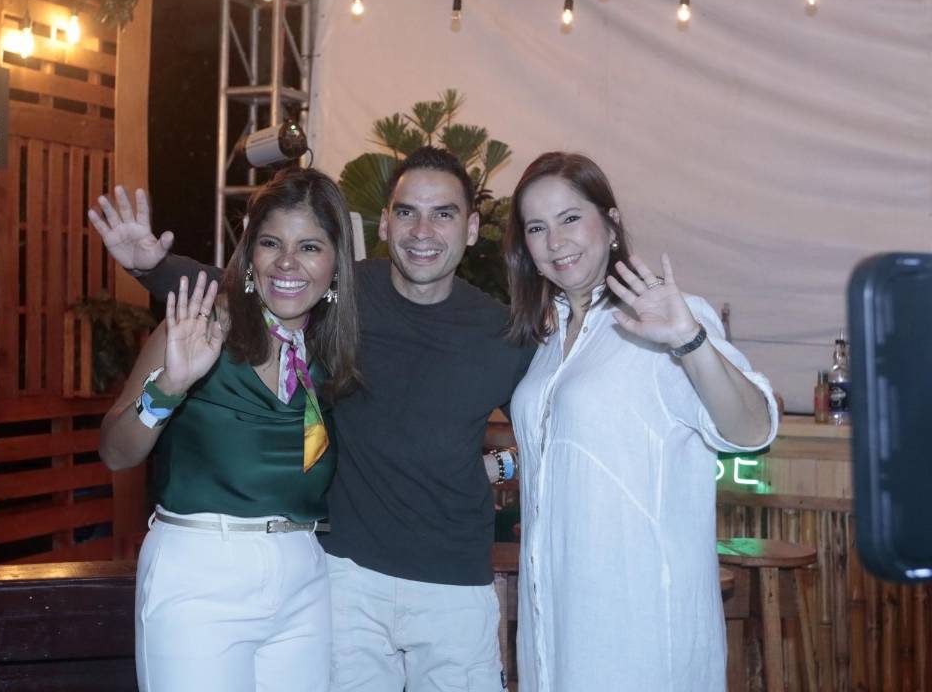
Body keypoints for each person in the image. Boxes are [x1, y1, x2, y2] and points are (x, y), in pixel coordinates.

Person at [91, 147, 535, 691]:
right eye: (405, 212)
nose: (423, 230)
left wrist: (498, 468)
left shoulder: (499, 331)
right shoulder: (329, 303)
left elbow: (556, 432)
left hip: (419, 584)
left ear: (470, 228)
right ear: (383, 224)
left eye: (443, 213)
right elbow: (246, 281)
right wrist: (149, 267)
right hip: (335, 578)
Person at [502, 151, 778, 691]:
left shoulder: (665, 319)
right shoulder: (546, 342)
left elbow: (752, 429)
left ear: (611, 223)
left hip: (641, 635)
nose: (555, 241)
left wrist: (689, 341)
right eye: (537, 227)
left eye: (570, 218)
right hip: (550, 630)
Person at [93, 167, 360, 692]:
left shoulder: (330, 356)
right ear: (249, 256)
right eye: (270, 243)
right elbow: (115, 453)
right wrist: (168, 388)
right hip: (200, 573)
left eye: (310, 247)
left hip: (304, 574)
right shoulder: (198, 329)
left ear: (335, 265)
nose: (287, 262)